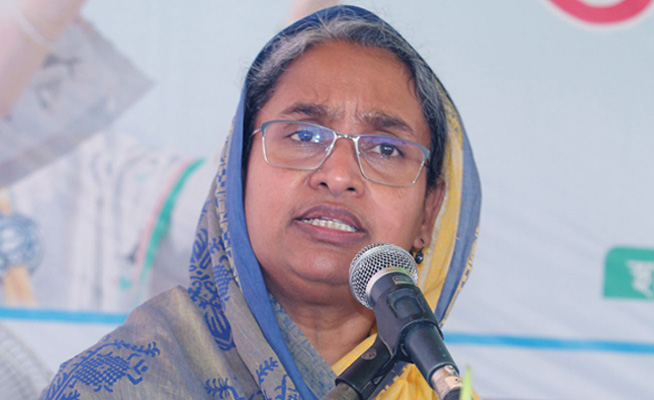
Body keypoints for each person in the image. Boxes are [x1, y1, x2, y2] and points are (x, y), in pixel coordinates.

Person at [40, 5, 481, 400]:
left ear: (429, 212)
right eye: (304, 136)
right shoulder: (112, 386)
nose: (338, 175)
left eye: (385, 149)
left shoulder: (442, 393)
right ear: (237, 176)